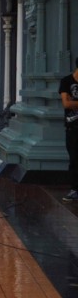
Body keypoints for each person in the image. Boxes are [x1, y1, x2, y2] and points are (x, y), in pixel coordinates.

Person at [59, 57, 78, 202]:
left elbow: (69, 102)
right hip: (73, 127)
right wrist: (70, 102)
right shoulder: (66, 81)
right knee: (74, 159)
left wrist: (73, 102)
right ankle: (74, 189)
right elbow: (66, 104)